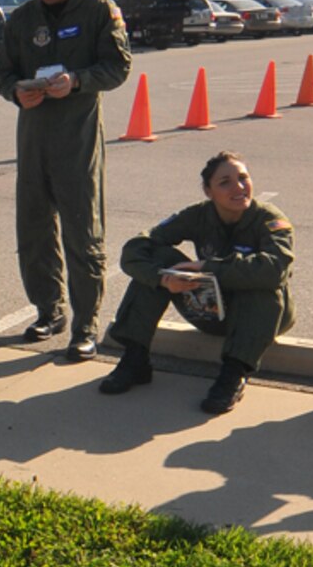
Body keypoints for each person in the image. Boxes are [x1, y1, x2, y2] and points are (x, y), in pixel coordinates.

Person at [0, 0, 132, 359]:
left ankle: (85, 325)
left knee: (82, 233)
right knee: (34, 232)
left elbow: (118, 66)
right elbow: (3, 73)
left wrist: (78, 80)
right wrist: (16, 91)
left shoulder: (98, 10)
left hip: (78, 138)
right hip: (33, 136)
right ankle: (49, 311)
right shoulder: (23, 19)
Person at [98, 151, 294, 414]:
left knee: (262, 282)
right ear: (208, 191)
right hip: (211, 309)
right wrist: (164, 279)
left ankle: (233, 375)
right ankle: (135, 359)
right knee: (159, 260)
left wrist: (206, 267)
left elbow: (276, 269)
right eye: (225, 182)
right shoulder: (199, 215)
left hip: (262, 317)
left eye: (243, 178)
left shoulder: (270, 220)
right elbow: (136, 248)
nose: (238, 187)